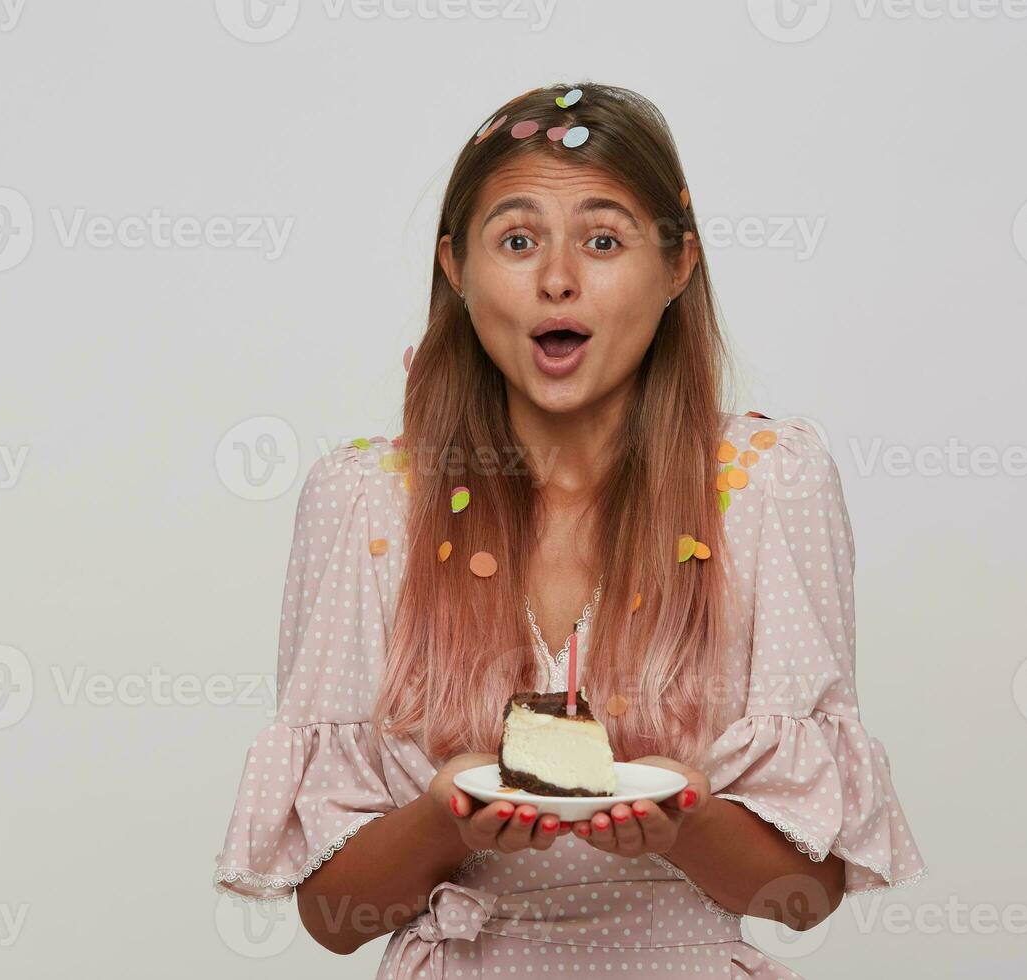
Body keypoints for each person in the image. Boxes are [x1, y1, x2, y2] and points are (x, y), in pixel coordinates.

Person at [212, 81, 927, 978]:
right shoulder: (365, 503)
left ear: (677, 268)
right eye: (517, 241)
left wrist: (686, 822)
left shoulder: (769, 488)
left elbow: (805, 896)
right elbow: (333, 916)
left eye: (602, 240)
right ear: (456, 270)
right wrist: (444, 817)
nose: (558, 278)